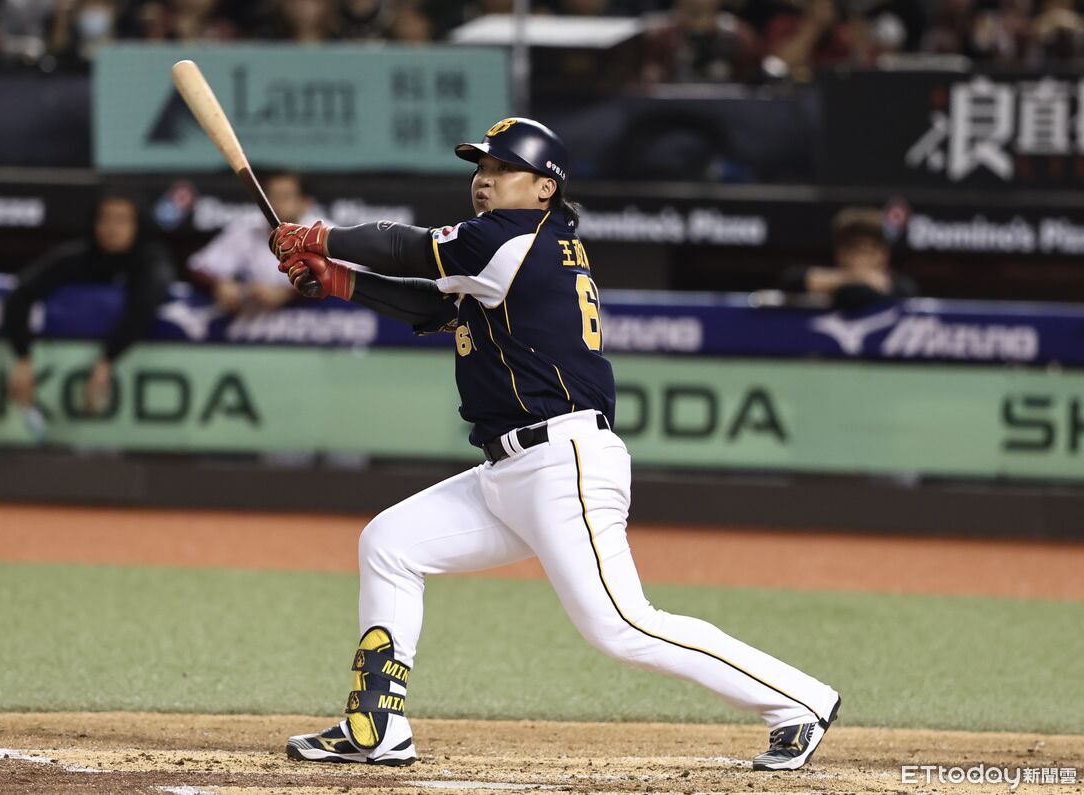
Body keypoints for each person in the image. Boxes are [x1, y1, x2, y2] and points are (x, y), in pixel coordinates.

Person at [268, 118, 841, 771]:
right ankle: (377, 723)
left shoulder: (512, 237)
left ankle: (798, 700)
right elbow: (435, 308)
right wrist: (339, 280)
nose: (484, 180)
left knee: (622, 625)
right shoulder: (515, 248)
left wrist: (319, 236)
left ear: (545, 187)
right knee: (390, 543)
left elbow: (408, 247)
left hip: (562, 461)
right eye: (480, 168)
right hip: (510, 471)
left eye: (502, 169)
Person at [1, 192, 173, 415]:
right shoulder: (75, 258)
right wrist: (22, 357)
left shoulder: (152, 262)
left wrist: (107, 361)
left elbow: (144, 306)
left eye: (121, 220)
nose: (112, 228)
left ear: (137, 225)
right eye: (105, 219)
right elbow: (19, 295)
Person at [187, 172, 311, 317]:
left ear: (304, 203)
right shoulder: (247, 231)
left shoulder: (323, 233)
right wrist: (219, 285)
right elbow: (199, 266)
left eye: (284, 197)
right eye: (269, 197)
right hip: (257, 320)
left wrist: (288, 294)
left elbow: (333, 278)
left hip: (315, 318)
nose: (274, 204)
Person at [780, 206, 916, 311]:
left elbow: (905, 290)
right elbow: (792, 279)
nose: (860, 258)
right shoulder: (827, 279)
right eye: (853, 249)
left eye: (868, 251)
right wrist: (856, 277)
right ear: (839, 253)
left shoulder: (898, 285)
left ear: (884, 255)